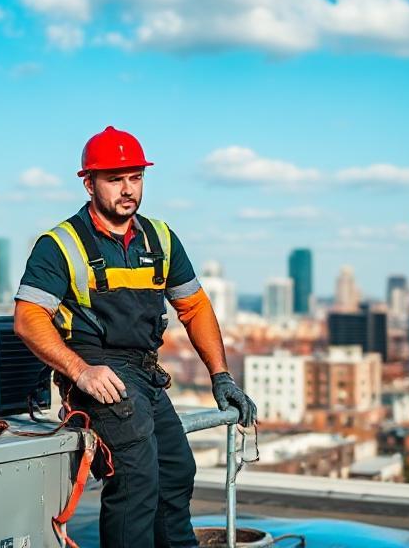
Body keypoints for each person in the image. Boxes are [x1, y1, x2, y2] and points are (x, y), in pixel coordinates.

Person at [13, 125, 256, 547]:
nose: (128, 190)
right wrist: (80, 371)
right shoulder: (61, 244)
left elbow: (194, 306)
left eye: (135, 178)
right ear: (88, 183)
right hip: (95, 367)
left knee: (177, 469)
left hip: (143, 371)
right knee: (137, 475)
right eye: (114, 179)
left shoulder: (159, 238)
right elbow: (28, 317)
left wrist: (221, 376)